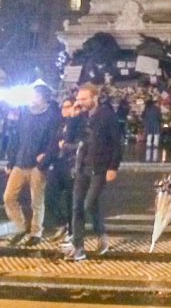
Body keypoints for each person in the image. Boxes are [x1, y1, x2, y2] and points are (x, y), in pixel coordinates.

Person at [65, 83, 123, 262]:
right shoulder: (80, 117)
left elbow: (117, 143)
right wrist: (73, 117)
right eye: (78, 99)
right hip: (82, 165)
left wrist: (113, 167)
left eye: (83, 99)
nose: (80, 102)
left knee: (89, 204)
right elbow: (69, 139)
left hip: (100, 167)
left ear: (94, 98)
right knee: (76, 206)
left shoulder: (107, 116)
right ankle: (78, 247)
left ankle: (101, 234)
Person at [3, 83, 60, 246]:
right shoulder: (24, 113)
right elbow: (16, 138)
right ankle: (20, 226)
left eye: (35, 96)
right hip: (20, 163)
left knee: (36, 201)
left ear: (44, 99)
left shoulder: (52, 116)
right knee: (8, 197)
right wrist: (11, 161)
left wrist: (44, 159)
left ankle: (36, 232)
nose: (32, 99)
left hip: (37, 165)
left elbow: (53, 141)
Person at [44, 97, 83, 246]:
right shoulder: (60, 124)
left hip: (72, 164)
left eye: (68, 107)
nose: (65, 110)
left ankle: (72, 233)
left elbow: (78, 143)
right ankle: (62, 224)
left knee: (70, 201)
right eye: (63, 107)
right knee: (49, 196)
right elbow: (54, 143)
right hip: (58, 164)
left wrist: (65, 145)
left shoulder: (79, 123)